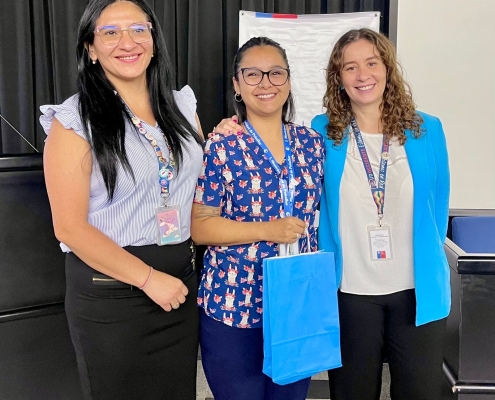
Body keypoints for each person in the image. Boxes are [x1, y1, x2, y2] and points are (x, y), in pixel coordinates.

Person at [213, 28, 450, 400]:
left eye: (371, 63)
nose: (362, 75)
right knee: (351, 392)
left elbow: (438, 203)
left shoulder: (426, 129)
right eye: (350, 67)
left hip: (416, 289)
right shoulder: (323, 131)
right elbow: (279, 152)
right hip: (348, 291)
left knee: (421, 392)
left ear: (387, 69)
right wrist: (231, 127)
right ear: (338, 78)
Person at [40, 1, 204, 399]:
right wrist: (148, 279)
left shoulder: (182, 107)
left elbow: (197, 184)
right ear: (91, 48)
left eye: (138, 29)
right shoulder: (74, 122)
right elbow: (69, 228)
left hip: (180, 286)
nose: (127, 42)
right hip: (112, 296)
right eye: (110, 32)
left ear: (153, 39)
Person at [190, 37, 325, 400]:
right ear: (237, 84)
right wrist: (269, 230)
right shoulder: (221, 146)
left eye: (276, 73)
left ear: (289, 80)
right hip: (234, 303)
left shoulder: (312, 143)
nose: (266, 83)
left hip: (296, 300)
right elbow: (200, 227)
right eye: (253, 74)